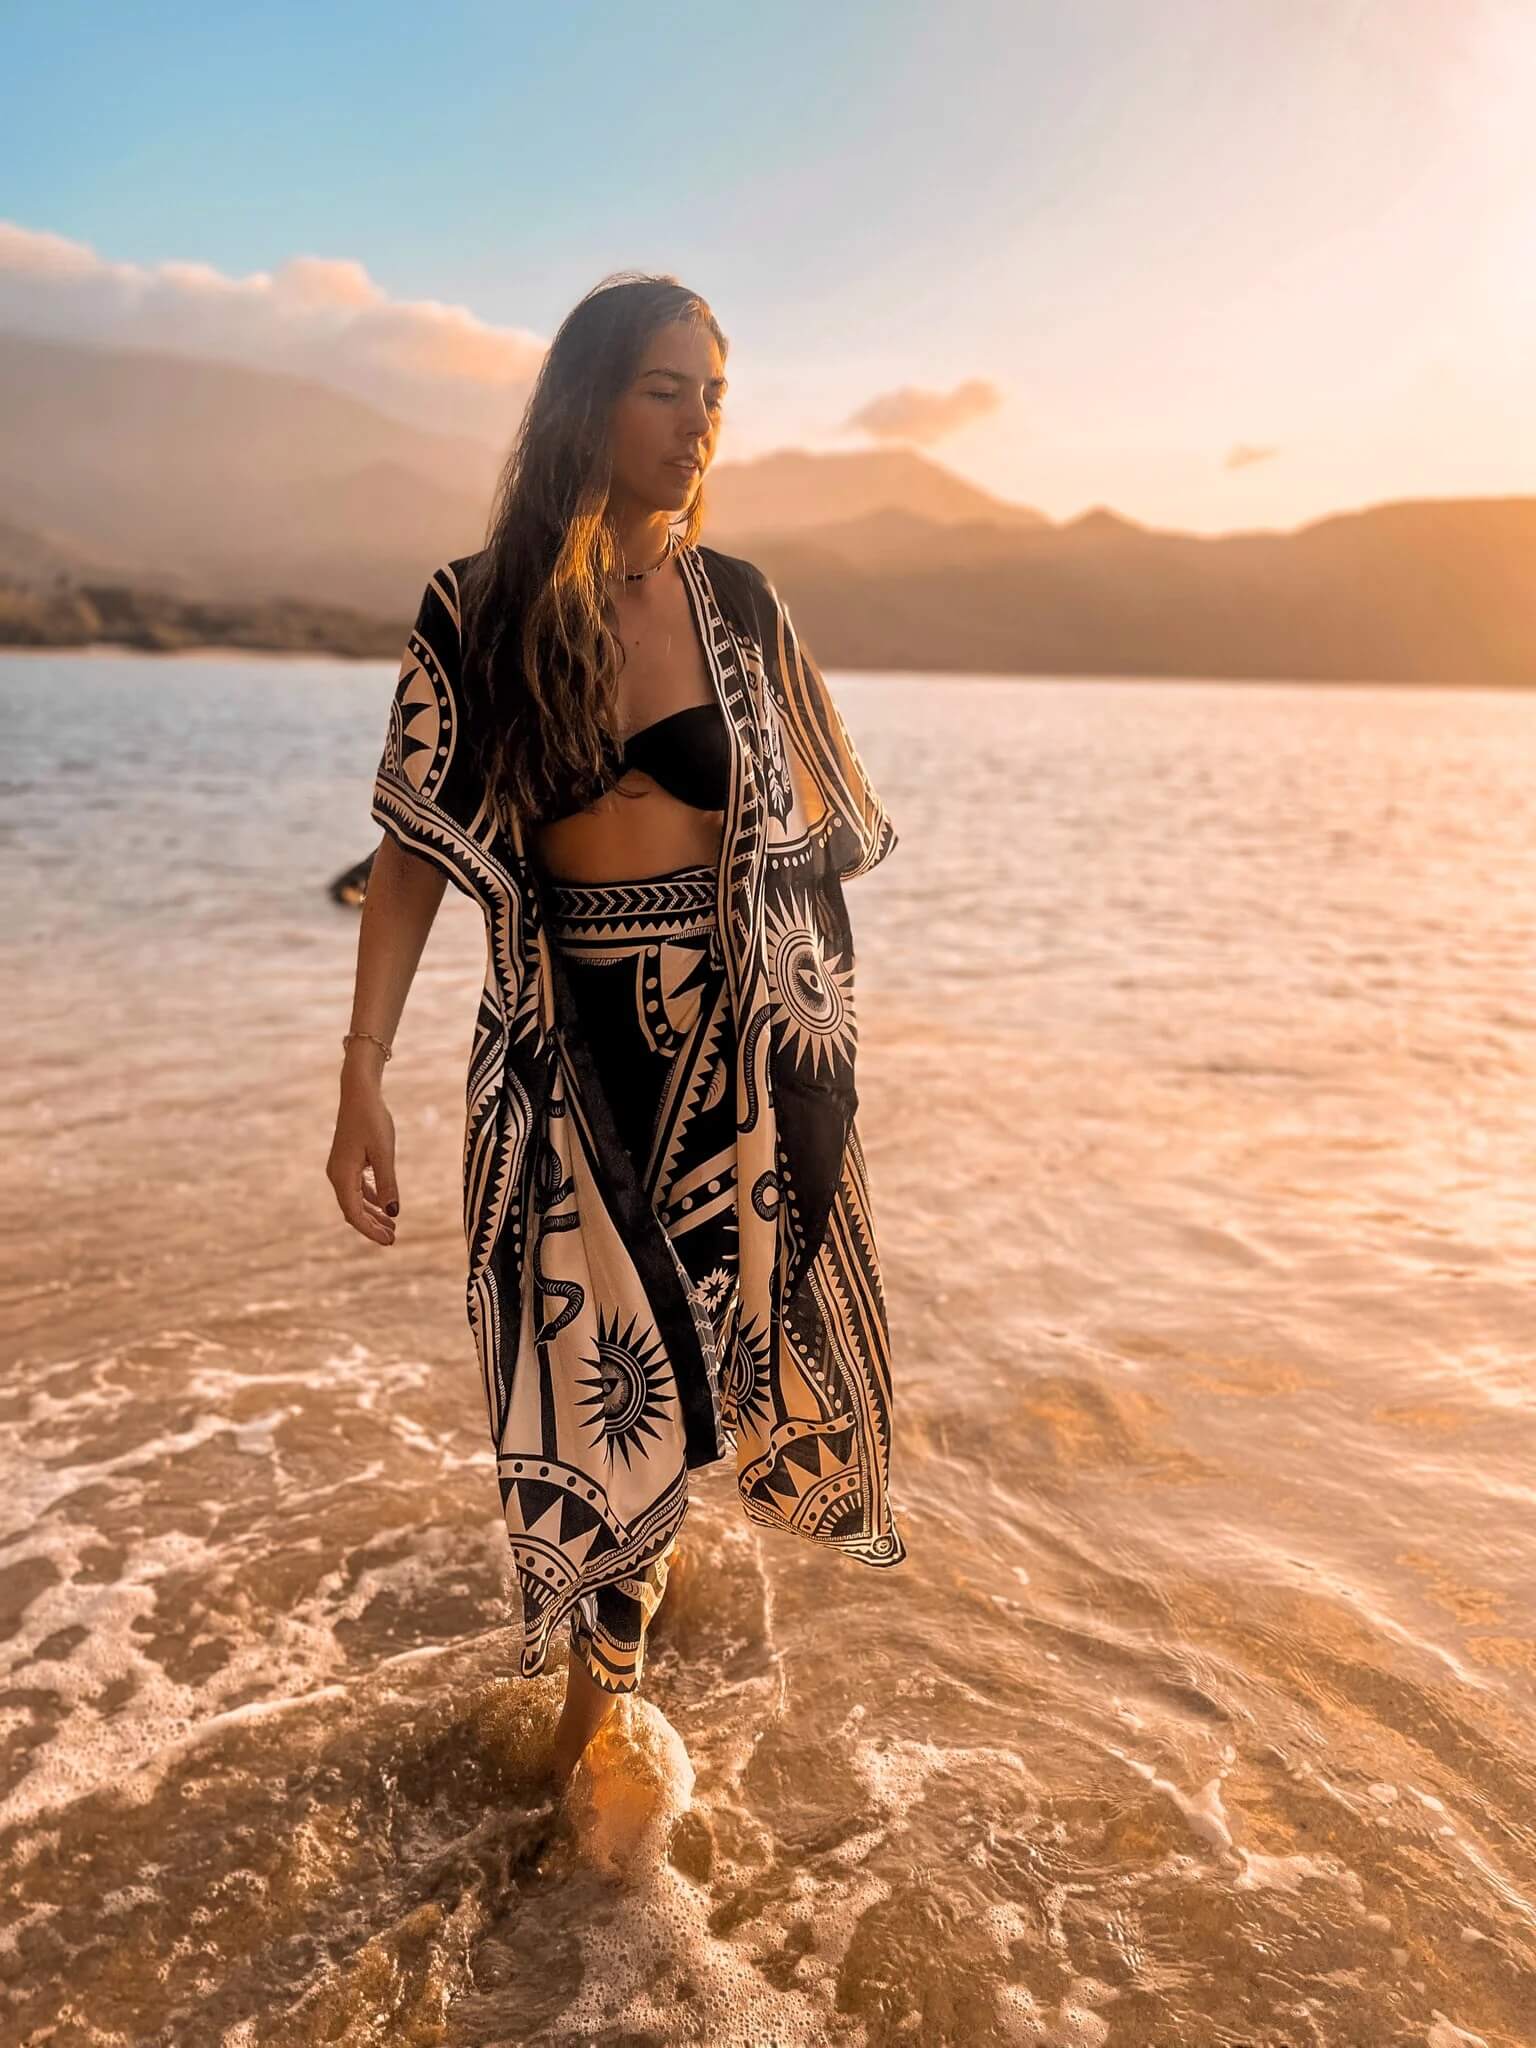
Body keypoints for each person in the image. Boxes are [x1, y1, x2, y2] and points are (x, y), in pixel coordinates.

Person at [326, 273, 907, 1797]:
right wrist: (360, 1071)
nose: (699, 418)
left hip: (726, 1060)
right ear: (589, 400)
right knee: (592, 1376)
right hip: (558, 1045)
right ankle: (605, 1719)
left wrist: (815, 1068)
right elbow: (409, 852)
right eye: (666, 386)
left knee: (689, 1376)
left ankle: (614, 1690)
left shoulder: (746, 608)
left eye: (713, 391)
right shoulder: (480, 605)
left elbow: (804, 854)